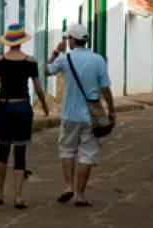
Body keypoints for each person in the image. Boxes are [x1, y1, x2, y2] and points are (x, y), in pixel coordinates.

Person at [45, 23, 115, 208]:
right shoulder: (98, 60)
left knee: (67, 150)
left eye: (68, 39)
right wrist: (111, 109)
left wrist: (55, 53)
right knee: (87, 154)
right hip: (91, 116)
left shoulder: (65, 59)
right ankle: (80, 195)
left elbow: (46, 71)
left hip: (70, 114)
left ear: (72, 40)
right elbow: (106, 88)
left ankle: (68, 186)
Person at [0, 23, 49, 209]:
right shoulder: (30, 62)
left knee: (2, 151)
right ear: (21, 42)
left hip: (5, 107)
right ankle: (17, 197)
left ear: (8, 41)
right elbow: (38, 88)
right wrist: (45, 105)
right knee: (20, 152)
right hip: (22, 107)